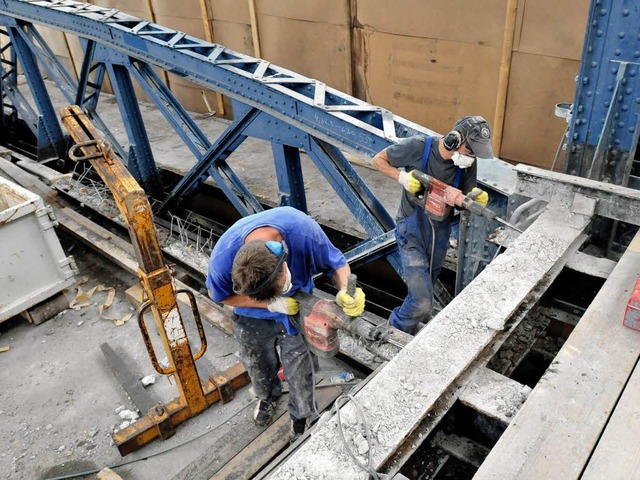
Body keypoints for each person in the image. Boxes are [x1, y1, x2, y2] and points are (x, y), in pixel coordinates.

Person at [206, 206, 365, 442]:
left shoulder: (303, 231)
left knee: (300, 370)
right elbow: (217, 295)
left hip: (297, 313)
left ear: (282, 257)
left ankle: (302, 417)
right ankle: (267, 397)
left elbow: (337, 264)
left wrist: (345, 290)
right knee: (258, 364)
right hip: (252, 317)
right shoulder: (223, 258)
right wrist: (270, 304)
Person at [371, 115, 493, 334]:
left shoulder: (466, 166)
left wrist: (473, 199)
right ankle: (394, 331)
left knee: (424, 291)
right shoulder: (419, 147)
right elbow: (378, 160)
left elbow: (464, 196)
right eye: (470, 151)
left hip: (440, 234)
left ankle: (411, 326)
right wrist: (402, 178)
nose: (471, 158)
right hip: (412, 232)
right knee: (421, 302)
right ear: (454, 140)